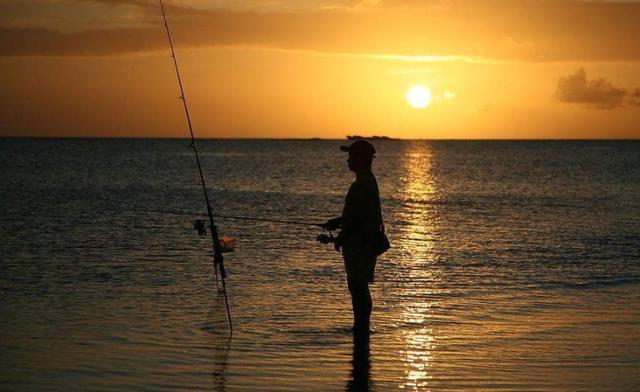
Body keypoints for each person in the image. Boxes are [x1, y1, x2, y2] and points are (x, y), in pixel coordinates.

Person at [323, 140, 383, 334]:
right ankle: (361, 328)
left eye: (351, 156)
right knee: (358, 286)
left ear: (361, 158)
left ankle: (361, 328)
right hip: (361, 243)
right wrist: (337, 222)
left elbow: (357, 218)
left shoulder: (363, 183)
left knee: (358, 287)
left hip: (360, 245)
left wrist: (341, 237)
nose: (348, 160)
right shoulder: (365, 181)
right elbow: (357, 214)